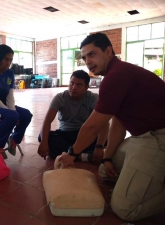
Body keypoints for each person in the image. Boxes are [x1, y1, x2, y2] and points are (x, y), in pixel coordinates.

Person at [56, 32, 165, 221]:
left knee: (125, 208)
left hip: (158, 138)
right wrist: (106, 157)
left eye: (92, 54)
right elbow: (117, 123)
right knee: (107, 170)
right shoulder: (117, 73)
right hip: (143, 137)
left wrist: (71, 154)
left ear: (108, 51)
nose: (87, 61)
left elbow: (92, 126)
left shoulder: (116, 76)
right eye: (84, 57)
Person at [37, 70, 108, 161]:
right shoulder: (60, 98)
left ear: (86, 87)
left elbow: (103, 123)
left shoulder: (93, 98)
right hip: (65, 134)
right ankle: (82, 156)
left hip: (85, 135)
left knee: (105, 139)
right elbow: (47, 120)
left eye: (79, 85)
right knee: (43, 137)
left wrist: (99, 147)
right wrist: (43, 142)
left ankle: (66, 154)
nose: (73, 87)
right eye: (72, 83)